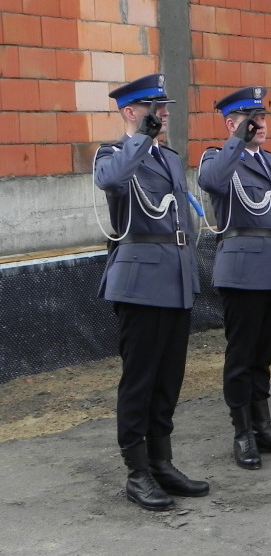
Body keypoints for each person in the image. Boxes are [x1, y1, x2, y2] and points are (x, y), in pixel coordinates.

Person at [94, 74, 208, 510]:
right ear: (130, 112)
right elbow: (113, 181)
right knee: (140, 380)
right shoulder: (113, 154)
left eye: (164, 108)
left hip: (175, 277)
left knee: (169, 377)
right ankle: (137, 470)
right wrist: (141, 138)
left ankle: (162, 461)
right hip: (140, 280)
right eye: (154, 108)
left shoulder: (170, 158)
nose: (163, 114)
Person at [198, 86, 271, 471]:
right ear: (231, 124)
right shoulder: (218, 157)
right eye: (250, 118)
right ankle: (242, 432)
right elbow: (211, 182)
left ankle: (263, 427)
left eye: (262, 117)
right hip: (242, 271)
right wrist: (235, 142)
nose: (261, 124)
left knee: (263, 355)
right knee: (241, 356)